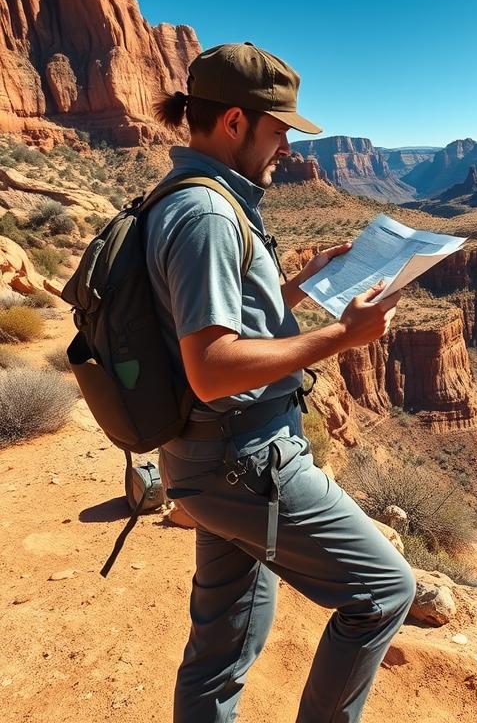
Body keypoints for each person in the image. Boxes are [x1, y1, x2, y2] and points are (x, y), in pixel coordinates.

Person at [148, 41, 415, 723]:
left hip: (204, 459)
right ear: (234, 122)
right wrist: (341, 336)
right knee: (383, 591)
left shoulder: (192, 197)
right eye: (279, 130)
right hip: (244, 460)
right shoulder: (208, 215)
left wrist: (300, 283)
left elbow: (222, 324)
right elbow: (210, 369)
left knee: (225, 641)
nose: (288, 149)